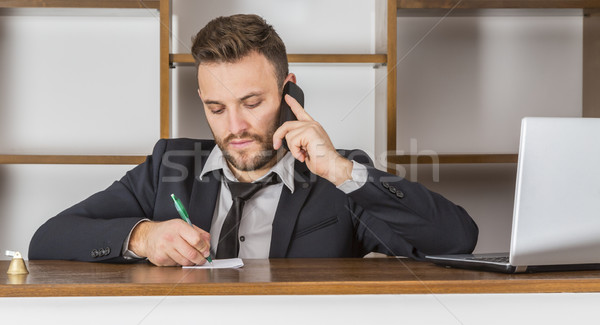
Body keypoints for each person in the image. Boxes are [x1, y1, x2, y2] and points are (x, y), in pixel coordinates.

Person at [29, 14, 478, 266]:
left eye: (251, 102)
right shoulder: (168, 165)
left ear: (289, 93)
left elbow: (456, 238)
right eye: (217, 108)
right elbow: (47, 240)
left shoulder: (339, 177)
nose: (235, 128)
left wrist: (342, 171)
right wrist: (143, 237)